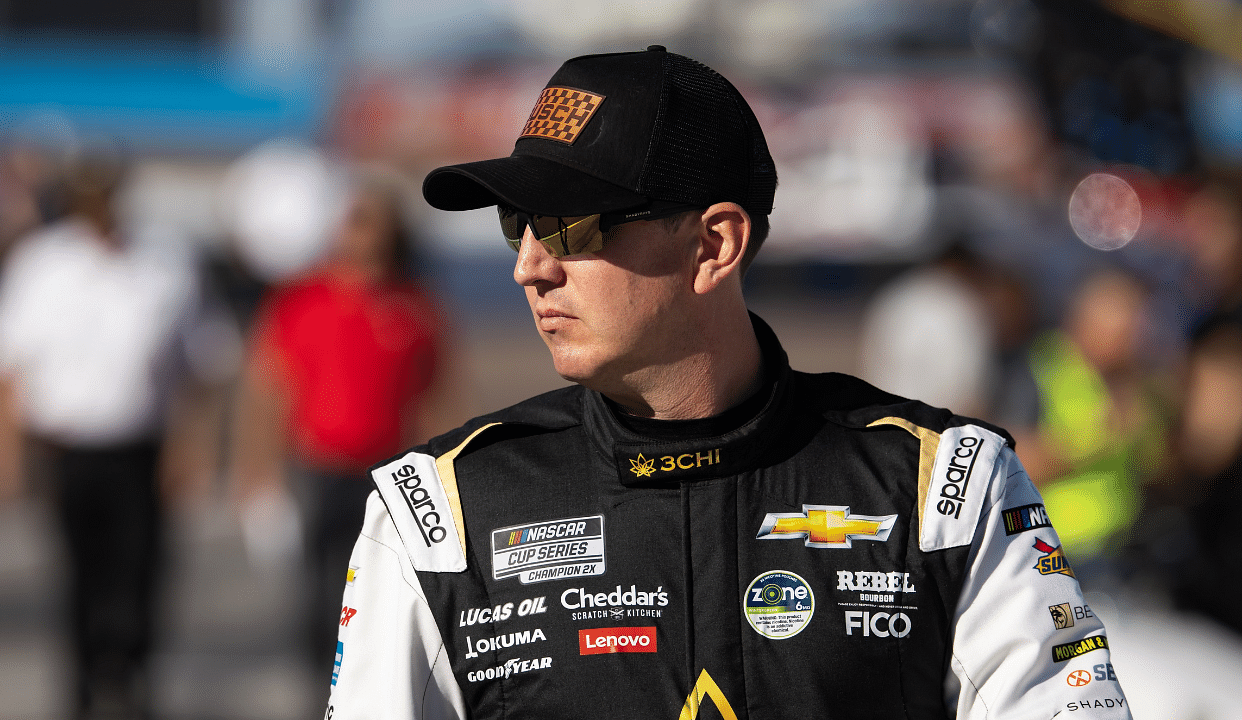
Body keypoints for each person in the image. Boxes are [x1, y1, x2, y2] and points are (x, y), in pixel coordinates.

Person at [326, 47, 1131, 719]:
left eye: (570, 225)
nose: (529, 266)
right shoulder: (436, 512)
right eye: (519, 225)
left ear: (713, 245)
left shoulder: (946, 485)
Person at [0, 156, 207, 720]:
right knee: (81, 574)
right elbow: (2, 365)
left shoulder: (163, 263)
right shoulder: (41, 264)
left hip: (139, 446)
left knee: (140, 572)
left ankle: (133, 681)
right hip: (68, 448)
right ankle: (82, 687)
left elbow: (196, 366)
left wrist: (188, 449)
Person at [231, 172, 452, 675]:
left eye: (369, 222)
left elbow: (441, 398)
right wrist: (256, 474)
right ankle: (320, 690)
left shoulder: (416, 307)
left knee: (383, 593)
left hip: (387, 476)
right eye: (351, 221)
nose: (357, 233)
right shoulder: (302, 300)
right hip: (316, 469)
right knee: (318, 594)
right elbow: (266, 393)